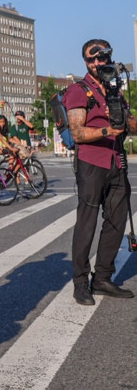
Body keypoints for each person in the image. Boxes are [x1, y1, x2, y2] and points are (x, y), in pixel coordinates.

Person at [64, 39, 137, 305]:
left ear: (109, 58)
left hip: (116, 162)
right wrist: (108, 130)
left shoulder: (115, 89)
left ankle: (103, 278)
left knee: (117, 221)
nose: (96, 63)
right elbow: (77, 133)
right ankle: (81, 282)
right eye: (90, 59)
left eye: (101, 58)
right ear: (85, 62)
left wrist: (127, 122)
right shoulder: (78, 90)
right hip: (91, 163)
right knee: (87, 222)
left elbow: (131, 125)